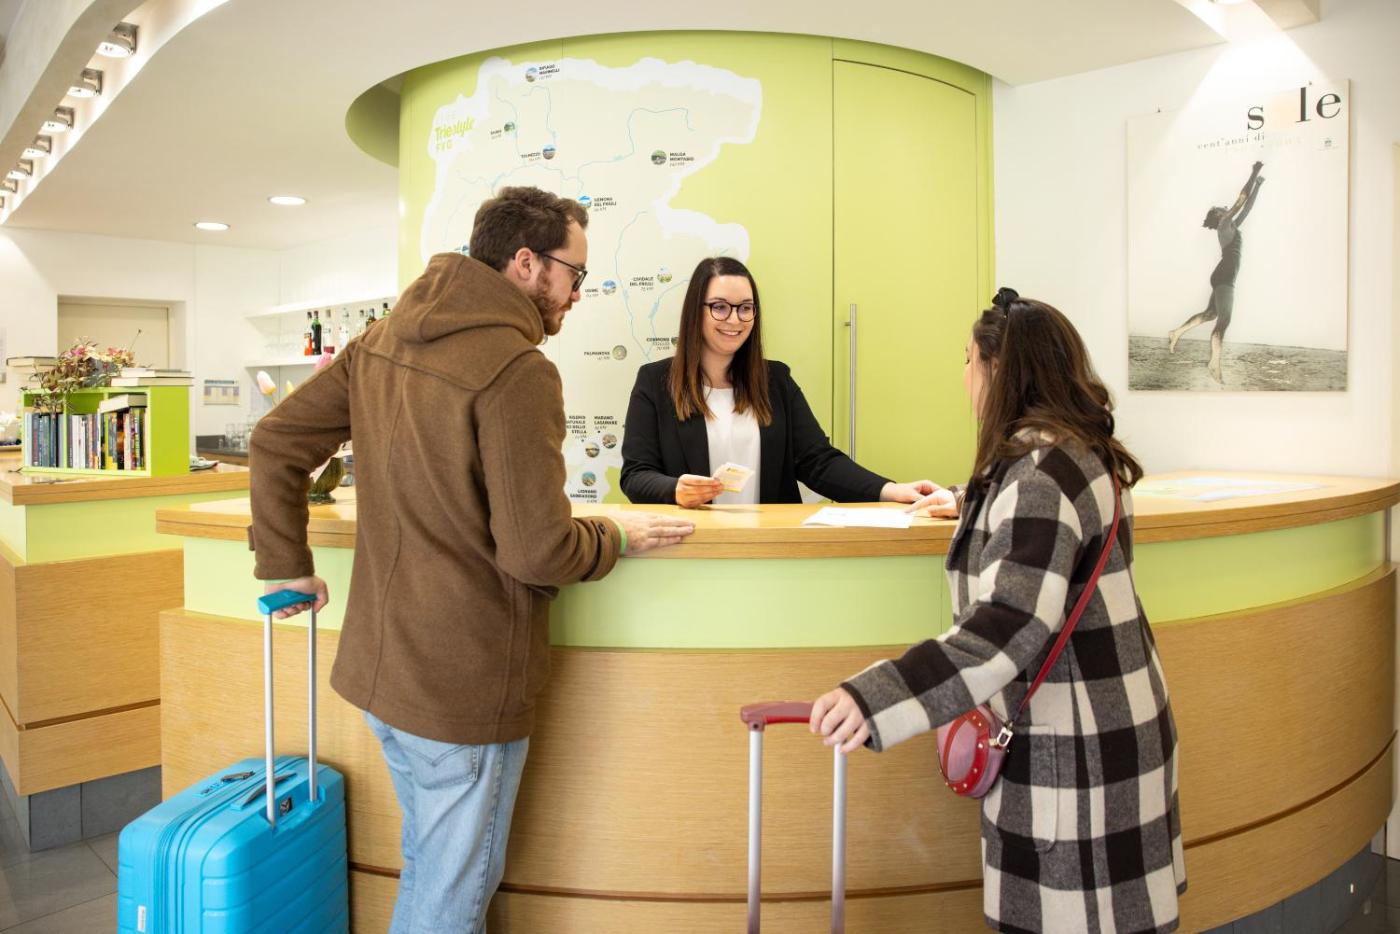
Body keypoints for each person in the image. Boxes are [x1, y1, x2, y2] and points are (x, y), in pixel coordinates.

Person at [247, 186, 695, 934]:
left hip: (384, 673)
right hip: (462, 690)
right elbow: (540, 549)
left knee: (432, 871)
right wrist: (615, 537)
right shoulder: (517, 369)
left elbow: (275, 440)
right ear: (525, 262)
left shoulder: (383, 339)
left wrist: (283, 563)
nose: (577, 293)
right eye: (574, 274)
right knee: (450, 901)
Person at [811, 289, 1185, 934]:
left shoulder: (1038, 476)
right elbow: (1049, 529)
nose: (963, 376)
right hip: (1118, 726)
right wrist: (969, 501)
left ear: (998, 370)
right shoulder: (1078, 452)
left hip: (1077, 751)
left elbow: (1005, 628)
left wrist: (875, 698)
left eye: (968, 360)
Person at [621, 256, 936, 507]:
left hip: (771, 544)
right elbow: (636, 475)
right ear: (695, 311)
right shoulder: (655, 382)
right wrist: (674, 489)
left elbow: (818, 462)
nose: (734, 319)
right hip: (694, 544)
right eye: (720, 307)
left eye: (745, 308)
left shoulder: (776, 381)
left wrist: (890, 490)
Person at [1167, 161, 1266, 384]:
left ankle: (1177, 332)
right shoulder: (1224, 225)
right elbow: (1241, 200)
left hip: (1222, 275)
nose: (1226, 208)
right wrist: (1254, 172)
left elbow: (1247, 208)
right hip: (1225, 276)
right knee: (1224, 319)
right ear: (1219, 215)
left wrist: (1258, 186)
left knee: (1211, 314)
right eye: (1223, 208)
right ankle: (1214, 362)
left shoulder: (1231, 227)